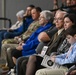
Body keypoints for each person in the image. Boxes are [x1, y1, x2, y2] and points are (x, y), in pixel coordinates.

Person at [16, 10, 67, 75]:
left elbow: (59, 50)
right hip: (46, 55)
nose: (56, 21)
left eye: (59, 19)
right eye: (55, 19)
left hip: (54, 59)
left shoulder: (65, 33)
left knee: (31, 58)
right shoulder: (56, 32)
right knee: (22, 61)